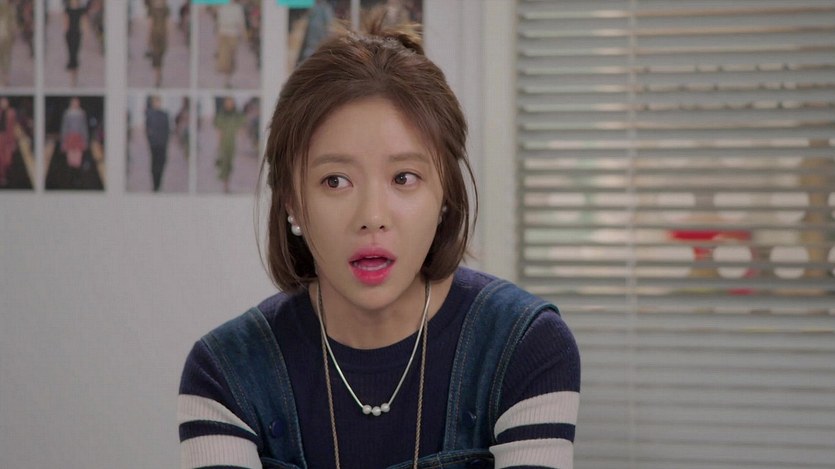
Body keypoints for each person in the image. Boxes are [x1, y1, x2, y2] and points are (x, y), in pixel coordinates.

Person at [178, 16, 580, 469]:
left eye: (404, 178)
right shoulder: (224, 372)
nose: (372, 217)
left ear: (445, 193)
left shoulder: (526, 346)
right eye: (335, 181)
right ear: (291, 202)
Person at [212, 96, 245, 193]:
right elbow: (218, 129)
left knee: (229, 162)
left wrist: (241, 136)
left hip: (232, 142)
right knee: (224, 162)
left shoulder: (236, 114)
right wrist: (218, 142)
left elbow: (242, 125)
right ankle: (225, 184)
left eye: (231, 102)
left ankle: (226, 182)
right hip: (224, 142)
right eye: (228, 102)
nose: (229, 104)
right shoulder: (221, 114)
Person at [214, 0, 246, 88]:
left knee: (232, 58)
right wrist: (218, 37)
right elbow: (219, 22)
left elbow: (241, 22)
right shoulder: (222, 6)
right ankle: (225, 80)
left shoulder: (238, 8)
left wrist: (244, 35)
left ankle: (228, 80)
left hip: (233, 34)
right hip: (223, 33)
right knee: (224, 58)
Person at [145, 95, 170, 192]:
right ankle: (155, 184)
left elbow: (167, 129)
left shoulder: (164, 114)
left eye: (158, 101)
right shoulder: (150, 115)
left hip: (162, 143)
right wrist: (151, 141)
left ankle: (159, 183)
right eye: (155, 102)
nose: (157, 104)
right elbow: (148, 130)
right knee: (155, 164)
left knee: (162, 162)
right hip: (154, 144)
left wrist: (165, 141)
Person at [147, 0, 170, 87]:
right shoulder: (163, 8)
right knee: (158, 56)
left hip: (157, 35)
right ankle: (158, 76)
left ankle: (158, 76)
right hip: (159, 35)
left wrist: (148, 39)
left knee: (158, 56)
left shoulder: (162, 8)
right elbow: (166, 23)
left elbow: (151, 23)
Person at [64, 0, 87, 87]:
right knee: (71, 56)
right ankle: (72, 80)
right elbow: (66, 23)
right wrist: (66, 34)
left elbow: (83, 22)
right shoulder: (67, 9)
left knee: (75, 56)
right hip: (70, 34)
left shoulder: (81, 10)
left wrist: (85, 33)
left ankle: (74, 80)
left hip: (77, 34)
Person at [0, 97, 16, 186]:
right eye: (2, 102)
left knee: (8, 159)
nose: (3, 104)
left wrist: (13, 141)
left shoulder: (11, 113)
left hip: (8, 137)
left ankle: (5, 175)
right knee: (1, 158)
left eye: (5, 102)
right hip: (0, 137)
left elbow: (12, 128)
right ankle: (2, 177)